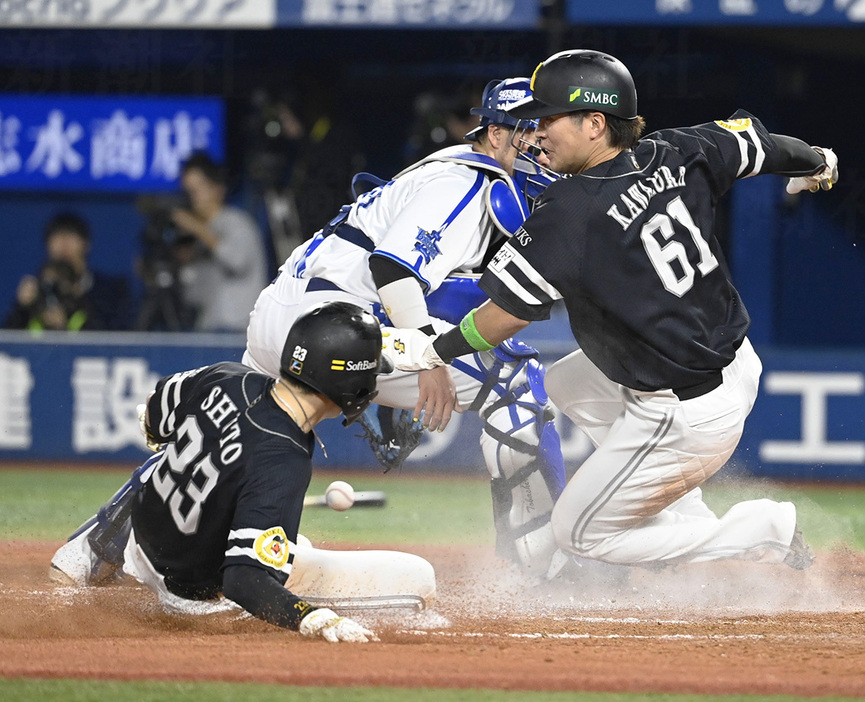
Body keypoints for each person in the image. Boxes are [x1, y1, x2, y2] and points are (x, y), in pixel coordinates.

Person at [384, 49, 840, 572]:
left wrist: (431, 348)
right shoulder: (677, 147)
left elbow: (503, 317)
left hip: (685, 412)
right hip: (735, 363)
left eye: (549, 118)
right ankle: (672, 504)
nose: (536, 131)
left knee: (578, 534)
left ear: (595, 123)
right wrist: (819, 162)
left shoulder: (570, 213)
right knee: (564, 384)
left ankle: (757, 530)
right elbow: (762, 146)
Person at [243, 77, 568, 578]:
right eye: (531, 134)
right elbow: (393, 270)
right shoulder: (470, 183)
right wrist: (428, 358)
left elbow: (440, 291)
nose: (542, 148)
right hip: (330, 322)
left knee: (236, 434)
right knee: (514, 378)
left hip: (287, 312)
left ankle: (106, 545)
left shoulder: (445, 170)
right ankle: (542, 562)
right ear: (498, 136)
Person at [50, 301, 404, 643]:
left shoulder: (227, 376)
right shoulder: (285, 460)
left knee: (166, 460)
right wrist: (312, 617)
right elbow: (245, 580)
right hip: (191, 602)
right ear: (348, 384)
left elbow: (155, 415)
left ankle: (95, 547)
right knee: (416, 582)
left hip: (141, 534)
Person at [171, 151, 269, 332]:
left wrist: (198, 229)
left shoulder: (237, 222)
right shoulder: (201, 234)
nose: (193, 197)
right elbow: (194, 295)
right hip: (211, 328)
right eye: (188, 191)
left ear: (218, 189)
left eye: (197, 189)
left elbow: (237, 262)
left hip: (239, 331)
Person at [3, 212, 131, 331]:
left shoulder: (112, 290)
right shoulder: (36, 291)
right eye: (57, 236)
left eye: (71, 235)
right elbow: (6, 349)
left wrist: (71, 312)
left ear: (87, 244)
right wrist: (21, 308)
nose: (64, 243)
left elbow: (117, 341)